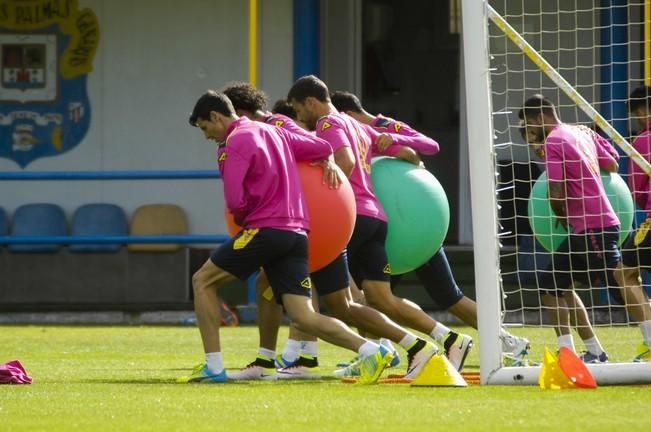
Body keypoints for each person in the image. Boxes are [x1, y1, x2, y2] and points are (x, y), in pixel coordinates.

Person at [221, 82, 437, 381]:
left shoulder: (274, 124)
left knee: (269, 286)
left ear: (238, 112)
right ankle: (415, 345)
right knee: (341, 304)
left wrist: (329, 165)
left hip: (312, 222)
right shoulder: (266, 130)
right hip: (320, 222)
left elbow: (313, 143)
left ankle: (272, 360)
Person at [177, 90, 394, 384]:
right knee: (303, 315)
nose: (207, 136)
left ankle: (213, 367)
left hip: (265, 229)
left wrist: (244, 219)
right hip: (297, 234)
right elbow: (319, 147)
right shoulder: (275, 131)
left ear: (217, 116)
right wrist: (328, 162)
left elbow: (235, 200)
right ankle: (370, 350)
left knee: (202, 281)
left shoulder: (233, 142)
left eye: (205, 128)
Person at [287, 75, 473, 374]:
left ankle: (306, 358)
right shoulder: (361, 128)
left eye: (298, 110)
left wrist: (327, 199)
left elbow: (344, 162)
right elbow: (411, 153)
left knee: (322, 286)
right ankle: (446, 337)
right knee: (380, 298)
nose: (299, 117)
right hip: (377, 218)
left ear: (310, 102)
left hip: (353, 219)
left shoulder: (328, 124)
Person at [332, 90, 531, 365]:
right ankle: (378, 352)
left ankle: (506, 341)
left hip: (412, 227)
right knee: (374, 296)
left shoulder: (381, 126)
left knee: (446, 296)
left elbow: (424, 146)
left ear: (348, 114)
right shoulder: (358, 134)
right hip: (391, 231)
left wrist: (395, 141)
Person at [519, 94, 631, 362]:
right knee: (554, 284)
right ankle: (583, 351)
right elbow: (613, 163)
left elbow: (555, 193)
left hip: (593, 226)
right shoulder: (581, 131)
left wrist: (561, 213)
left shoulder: (555, 140)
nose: (533, 137)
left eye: (532, 129)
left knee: (622, 286)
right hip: (591, 226)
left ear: (539, 117)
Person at [612, 86, 651, 361]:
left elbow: (637, 191)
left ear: (641, 111)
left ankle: (650, 340)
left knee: (623, 274)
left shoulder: (643, 140)